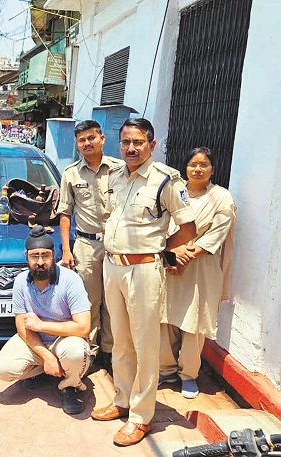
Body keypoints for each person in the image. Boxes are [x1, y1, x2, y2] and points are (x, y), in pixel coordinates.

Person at [90, 118, 196, 446]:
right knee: (120, 341)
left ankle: (141, 416)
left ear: (152, 144)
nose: (131, 148)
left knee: (145, 345)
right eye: (126, 142)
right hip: (113, 268)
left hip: (144, 271)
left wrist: (163, 251)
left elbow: (188, 227)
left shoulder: (166, 180)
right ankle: (122, 399)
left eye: (138, 142)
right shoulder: (115, 176)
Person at [159, 147, 236, 399]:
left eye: (204, 165)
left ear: (213, 169)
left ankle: (188, 375)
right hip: (170, 261)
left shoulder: (221, 197)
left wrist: (187, 255)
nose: (198, 169)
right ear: (185, 167)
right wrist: (172, 253)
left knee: (194, 322)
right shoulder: (174, 191)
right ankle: (166, 370)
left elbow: (217, 233)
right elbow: (160, 224)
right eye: (193, 164)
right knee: (165, 318)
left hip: (201, 267)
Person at [0, 226, 92, 415]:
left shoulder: (71, 280)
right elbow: (21, 326)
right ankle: (45, 370)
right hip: (37, 342)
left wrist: (41, 325)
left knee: (76, 353)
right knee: (3, 369)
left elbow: (83, 328)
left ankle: (70, 386)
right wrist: (47, 357)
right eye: (35, 256)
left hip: (65, 341)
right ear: (26, 257)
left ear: (53, 255)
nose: (40, 262)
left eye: (45, 255)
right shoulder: (20, 281)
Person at [57, 119, 123, 374]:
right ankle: (91, 352)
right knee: (89, 301)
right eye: (81, 140)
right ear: (77, 144)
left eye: (91, 138)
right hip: (86, 245)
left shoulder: (119, 169)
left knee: (114, 300)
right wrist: (66, 249)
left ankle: (110, 351)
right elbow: (65, 213)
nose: (87, 143)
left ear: (102, 139)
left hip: (117, 245)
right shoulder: (71, 173)